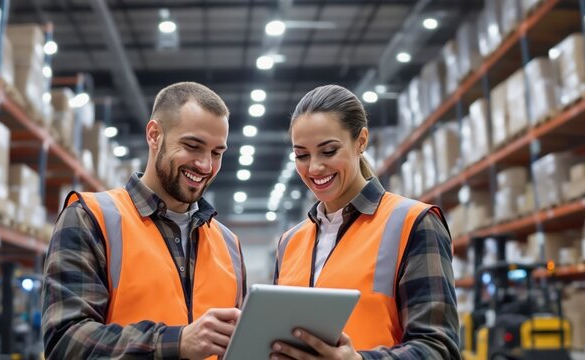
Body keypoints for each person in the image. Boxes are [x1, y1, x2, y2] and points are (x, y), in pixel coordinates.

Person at [42, 82, 247, 359]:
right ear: (154, 135)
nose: (206, 165)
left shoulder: (229, 245)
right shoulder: (91, 218)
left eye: (217, 153)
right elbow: (66, 342)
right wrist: (177, 342)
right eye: (192, 146)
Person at [271, 85, 460, 360]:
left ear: (361, 141)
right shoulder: (290, 243)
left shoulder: (413, 223)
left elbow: (439, 349)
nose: (313, 168)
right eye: (302, 155)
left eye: (328, 151)